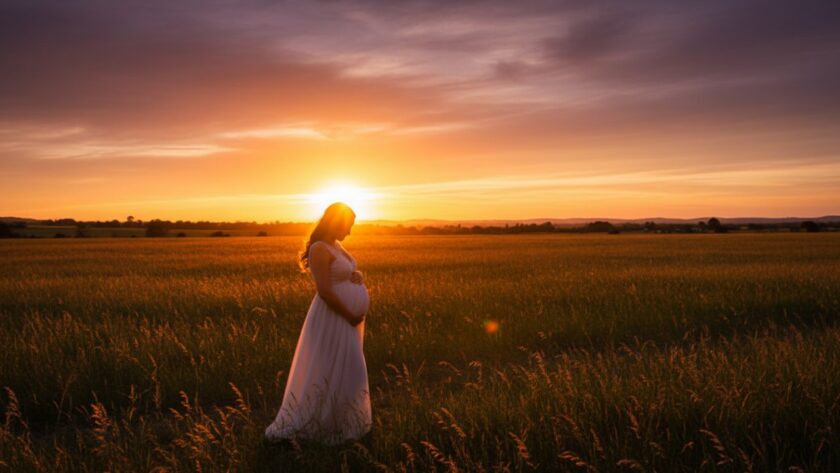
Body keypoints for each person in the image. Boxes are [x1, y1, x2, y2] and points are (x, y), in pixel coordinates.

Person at [264, 202, 372, 444]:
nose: (350, 231)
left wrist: (356, 276)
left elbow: (341, 275)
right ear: (336, 222)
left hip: (346, 319)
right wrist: (349, 314)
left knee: (347, 369)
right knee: (337, 369)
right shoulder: (319, 248)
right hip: (333, 317)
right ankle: (320, 425)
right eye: (348, 226)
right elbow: (324, 290)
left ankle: (340, 421)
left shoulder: (336, 246)